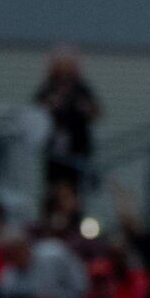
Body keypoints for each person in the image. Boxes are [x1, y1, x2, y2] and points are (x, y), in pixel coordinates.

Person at [34, 48, 102, 192]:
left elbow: (97, 112)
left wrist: (85, 108)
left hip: (78, 149)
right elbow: (36, 111)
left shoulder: (81, 89)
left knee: (76, 187)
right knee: (52, 187)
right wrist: (51, 105)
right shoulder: (48, 88)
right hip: (53, 151)